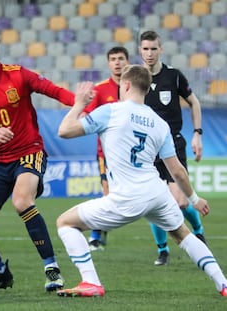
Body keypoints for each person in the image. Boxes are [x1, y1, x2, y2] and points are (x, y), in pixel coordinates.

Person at [54, 64, 227, 298]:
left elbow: (64, 131)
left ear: (125, 85)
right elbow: (177, 170)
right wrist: (194, 199)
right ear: (146, 89)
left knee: (65, 222)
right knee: (183, 235)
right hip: (156, 193)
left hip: (126, 197)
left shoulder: (110, 111)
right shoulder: (159, 123)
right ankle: (223, 284)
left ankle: (91, 282)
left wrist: (79, 104)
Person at [0, 30, 75, 293]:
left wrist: (83, 104)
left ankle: (51, 269)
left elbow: (54, 91)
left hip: (28, 152)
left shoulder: (19, 75)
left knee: (22, 200)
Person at [139, 30, 206, 266]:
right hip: (147, 148)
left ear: (161, 49)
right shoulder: (136, 79)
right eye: (145, 49)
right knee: (153, 201)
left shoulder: (174, 76)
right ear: (140, 50)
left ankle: (198, 231)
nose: (149, 53)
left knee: (180, 202)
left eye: (153, 48)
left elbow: (194, 102)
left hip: (173, 143)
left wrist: (197, 134)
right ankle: (163, 249)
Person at [80, 46, 130, 251]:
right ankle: (95, 236)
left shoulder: (135, 87)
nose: (117, 62)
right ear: (108, 63)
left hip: (132, 153)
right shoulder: (100, 90)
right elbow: (85, 116)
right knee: (108, 194)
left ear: (128, 61)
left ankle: (163, 245)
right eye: (113, 59)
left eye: (120, 58)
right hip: (107, 153)